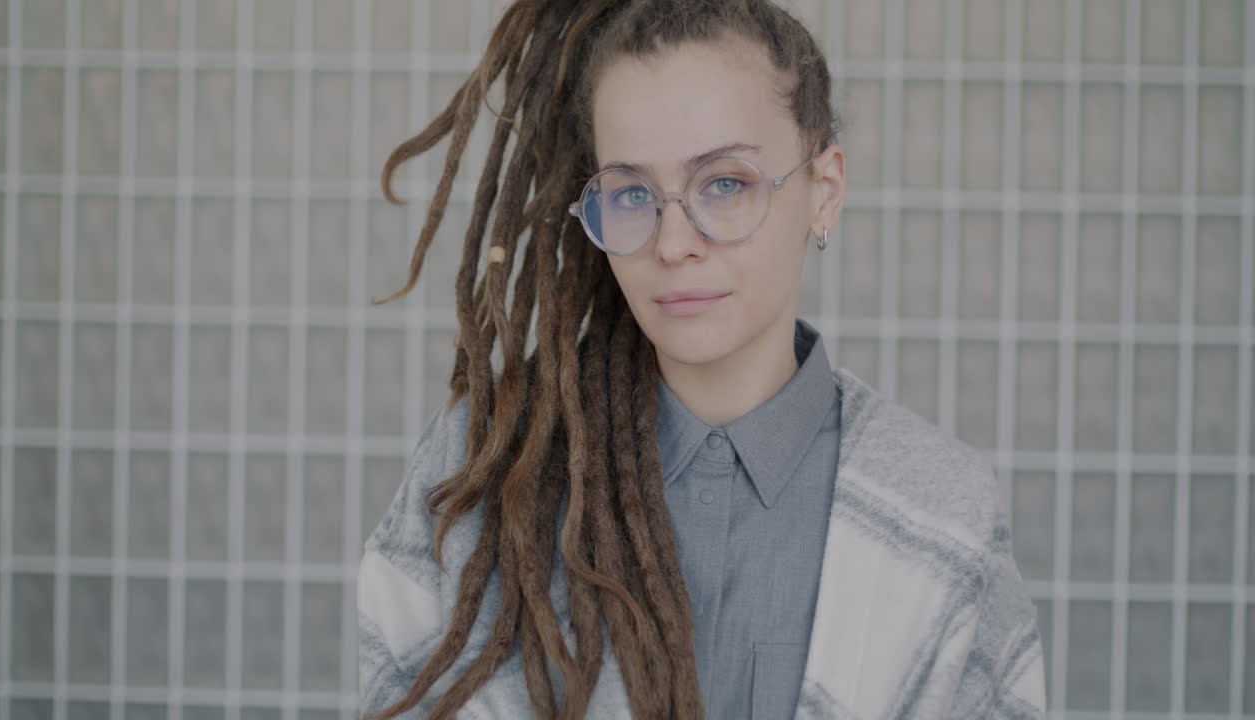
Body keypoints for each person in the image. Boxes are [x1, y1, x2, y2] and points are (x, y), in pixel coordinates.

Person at [357, 1, 1046, 718]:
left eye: (725, 183)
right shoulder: (483, 470)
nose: (673, 243)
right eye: (631, 193)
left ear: (824, 193)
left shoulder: (942, 513)